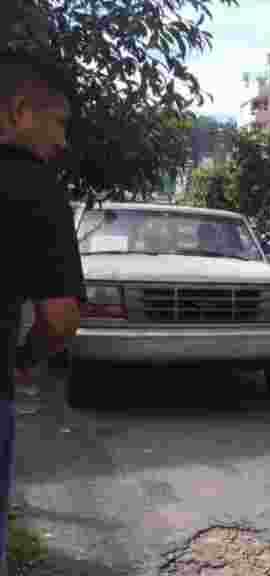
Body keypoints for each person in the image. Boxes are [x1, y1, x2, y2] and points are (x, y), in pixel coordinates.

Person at [1, 49, 85, 574]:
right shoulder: (32, 186)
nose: (61, 140)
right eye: (57, 122)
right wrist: (25, 359)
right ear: (17, 112)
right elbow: (60, 318)